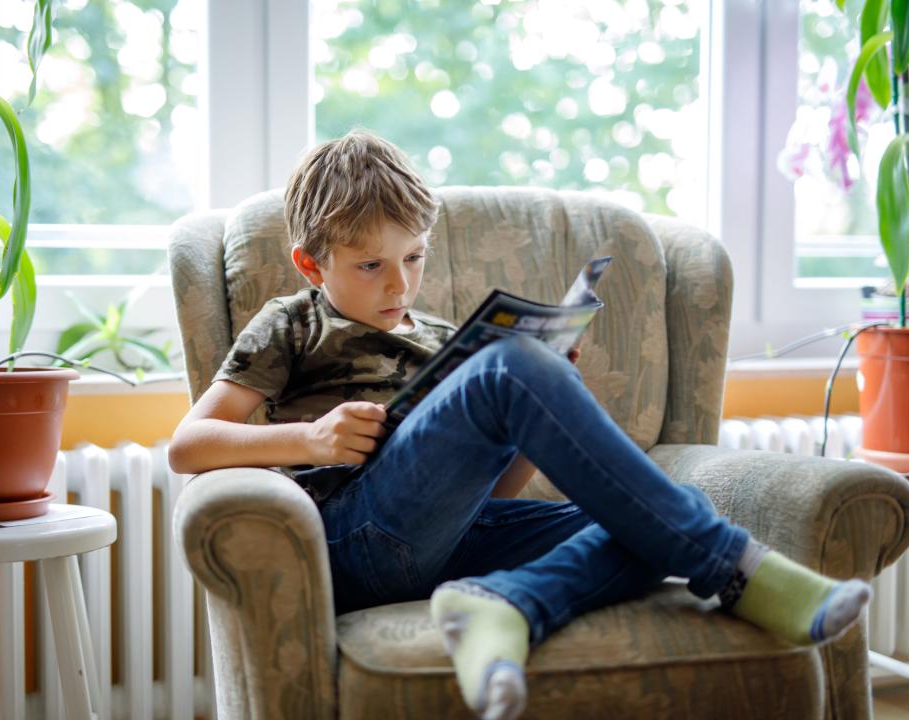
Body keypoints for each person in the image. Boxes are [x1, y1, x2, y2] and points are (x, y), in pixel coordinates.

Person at [168, 130, 871, 720]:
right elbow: (189, 445)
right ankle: (735, 566)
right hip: (355, 537)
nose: (398, 285)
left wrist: (540, 394)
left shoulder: (445, 338)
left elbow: (496, 493)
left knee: (660, 516)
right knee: (513, 367)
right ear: (310, 264)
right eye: (370, 265)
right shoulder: (291, 323)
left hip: (454, 538)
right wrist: (308, 439)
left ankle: (508, 604)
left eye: (413, 259)